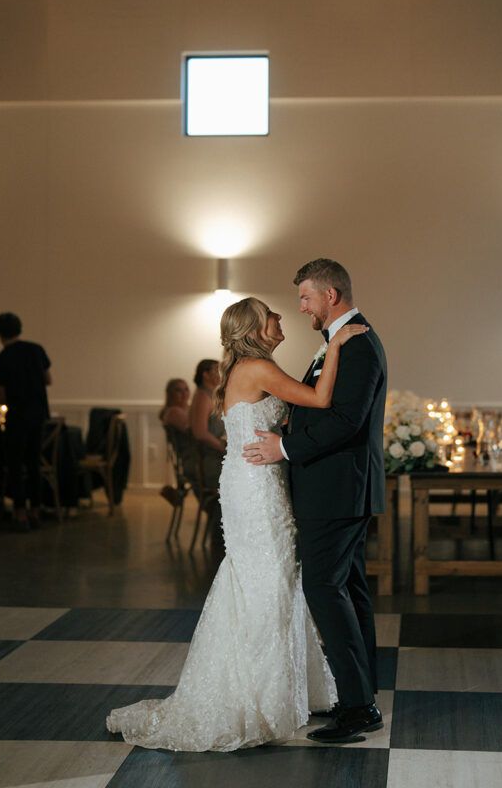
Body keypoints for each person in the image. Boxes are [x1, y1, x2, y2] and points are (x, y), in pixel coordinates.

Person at [106, 296, 367, 751]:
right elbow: (322, 399)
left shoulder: (248, 370)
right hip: (257, 486)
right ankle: (259, 698)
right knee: (271, 579)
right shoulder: (256, 368)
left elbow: (287, 415)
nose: (281, 317)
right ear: (254, 328)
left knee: (266, 579)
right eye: (271, 315)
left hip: (251, 479)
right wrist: (337, 345)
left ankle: (273, 689)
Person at [242, 259, 387, 744]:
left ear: (330, 295)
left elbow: (346, 420)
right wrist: (288, 431)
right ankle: (358, 697)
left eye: (305, 297)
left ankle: (359, 706)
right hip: (336, 488)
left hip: (337, 490)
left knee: (324, 589)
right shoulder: (342, 342)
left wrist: (283, 447)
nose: (300, 306)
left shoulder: (359, 345)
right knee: (349, 592)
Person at [0, 312, 52, 532]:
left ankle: (20, 513)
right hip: (39, 414)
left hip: (17, 418)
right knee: (34, 464)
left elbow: (0, 398)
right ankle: (36, 511)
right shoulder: (36, 350)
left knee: (15, 466)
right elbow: (49, 379)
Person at [189, 358, 226, 489]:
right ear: (205, 374)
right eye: (216, 370)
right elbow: (200, 433)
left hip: (217, 456)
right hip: (211, 460)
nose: (220, 374)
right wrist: (224, 449)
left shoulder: (211, 395)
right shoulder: (202, 396)